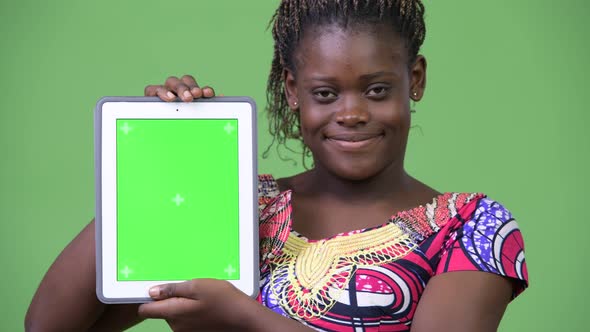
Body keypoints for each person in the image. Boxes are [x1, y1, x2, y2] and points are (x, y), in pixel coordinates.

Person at [25, 0, 528, 331]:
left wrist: (246, 319)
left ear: (414, 79)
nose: (351, 113)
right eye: (325, 93)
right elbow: (49, 325)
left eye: (377, 90)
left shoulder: (468, 227)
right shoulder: (240, 205)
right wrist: (162, 165)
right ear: (293, 92)